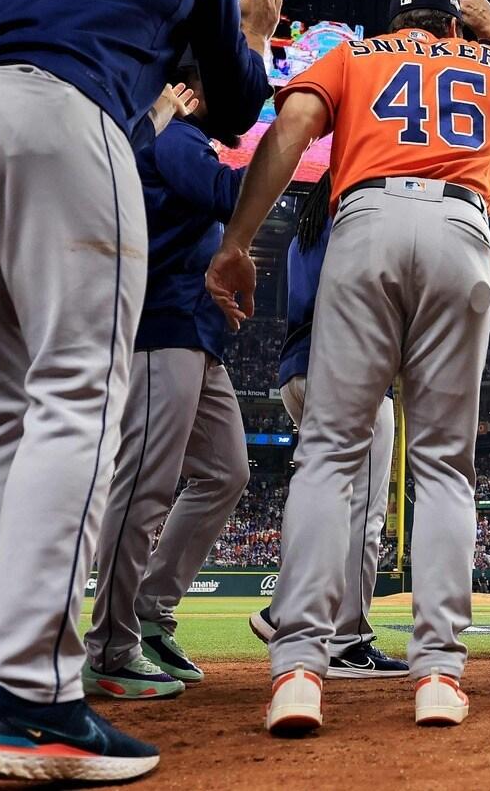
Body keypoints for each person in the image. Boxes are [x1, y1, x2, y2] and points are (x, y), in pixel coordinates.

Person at [0, 0, 277, 781]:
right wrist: (251, 36)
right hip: (57, 112)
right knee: (76, 395)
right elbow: (237, 103)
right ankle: (31, 700)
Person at [207, 0, 490, 732]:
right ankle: (439, 674)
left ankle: (298, 669)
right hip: (460, 230)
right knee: (445, 461)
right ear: (454, 26)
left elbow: (288, 131)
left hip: (367, 220)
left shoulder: (352, 55)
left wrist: (238, 240)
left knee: (328, 453)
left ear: (395, 19)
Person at [84, 57, 279, 701]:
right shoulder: (177, 137)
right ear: (194, 94)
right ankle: (110, 647)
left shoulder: (179, 137)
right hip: (161, 323)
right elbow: (228, 194)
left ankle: (148, 608)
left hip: (198, 329)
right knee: (144, 483)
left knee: (226, 472)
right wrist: (296, 149)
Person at [247, 173, 409, 679]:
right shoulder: (355, 216)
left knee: (327, 500)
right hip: (348, 371)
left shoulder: (307, 229)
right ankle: (347, 640)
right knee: (364, 515)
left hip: (299, 372)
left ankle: (283, 610)